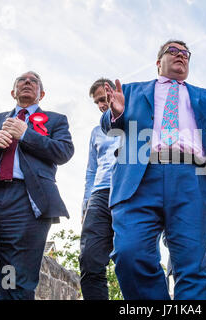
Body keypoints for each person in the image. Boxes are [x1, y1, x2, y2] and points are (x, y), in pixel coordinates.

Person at [101, 39, 206, 300]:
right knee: (129, 254)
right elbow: (110, 127)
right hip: (140, 178)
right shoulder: (129, 92)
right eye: (172, 51)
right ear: (158, 62)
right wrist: (115, 114)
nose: (181, 55)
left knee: (194, 266)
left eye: (186, 53)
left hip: (193, 178)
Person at [0, 71, 74, 300]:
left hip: (26, 203)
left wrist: (26, 134)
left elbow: (63, 152)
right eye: (22, 80)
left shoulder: (56, 120)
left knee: (13, 279)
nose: (28, 82)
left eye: (34, 81)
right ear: (13, 92)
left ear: (42, 93)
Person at [79, 78, 119, 300]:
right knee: (89, 258)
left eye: (104, 99)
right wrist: (86, 204)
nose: (102, 105)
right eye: (97, 102)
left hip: (129, 193)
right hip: (100, 195)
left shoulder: (135, 122)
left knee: (132, 258)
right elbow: (91, 170)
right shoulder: (96, 132)